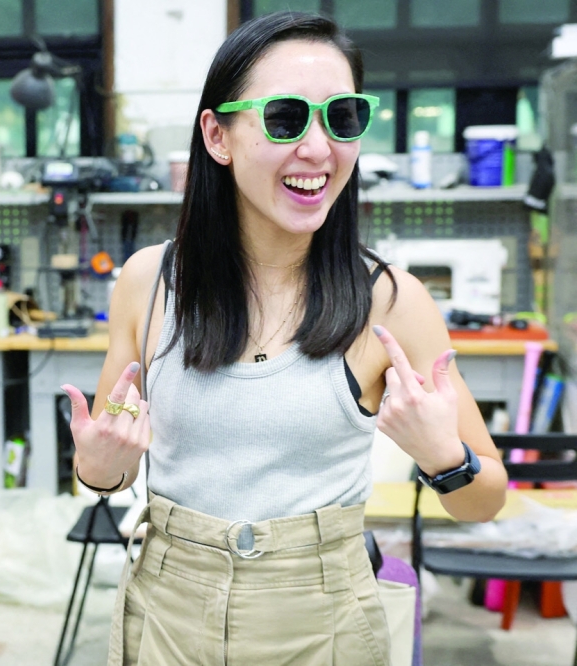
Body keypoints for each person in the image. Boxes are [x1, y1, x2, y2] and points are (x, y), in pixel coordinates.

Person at [60, 11, 508, 666]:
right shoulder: (147, 282)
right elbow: (109, 463)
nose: (320, 149)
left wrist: (444, 456)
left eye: (343, 117)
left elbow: (485, 502)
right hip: (168, 609)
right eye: (286, 118)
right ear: (218, 135)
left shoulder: (390, 301)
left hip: (322, 617)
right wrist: (97, 469)